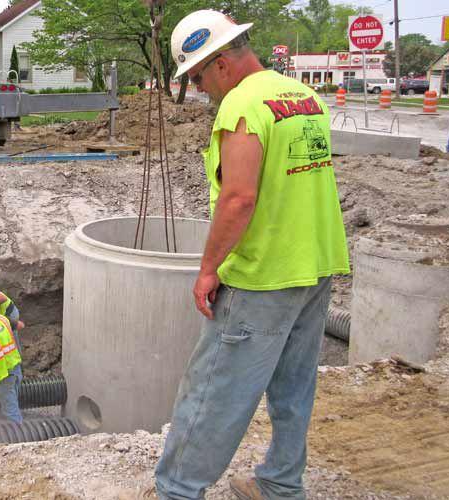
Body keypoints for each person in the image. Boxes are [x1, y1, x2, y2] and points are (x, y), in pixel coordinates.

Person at [152, 10, 350, 500]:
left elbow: (239, 198)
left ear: (220, 63)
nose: (197, 88)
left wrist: (207, 270)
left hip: (262, 273)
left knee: (214, 391)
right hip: (315, 264)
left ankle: (178, 490)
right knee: (294, 386)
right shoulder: (302, 97)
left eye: (197, 75)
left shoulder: (241, 105)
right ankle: (281, 484)